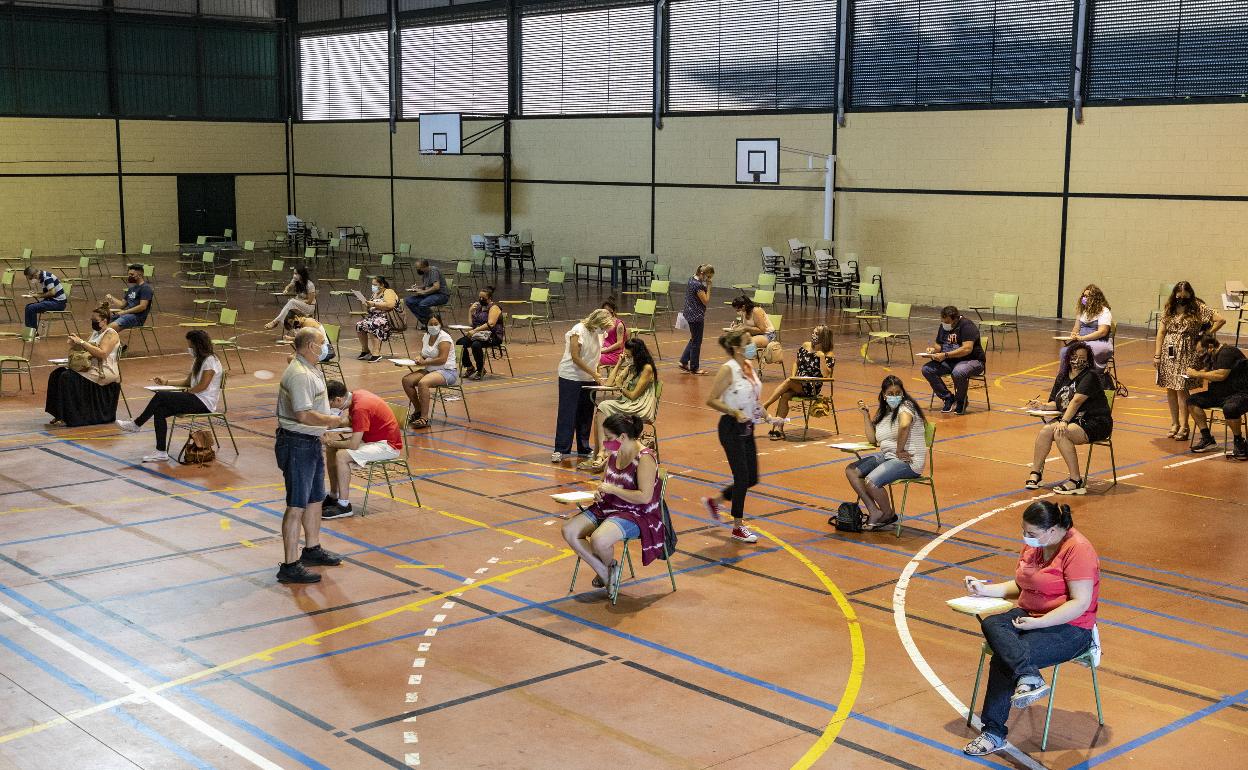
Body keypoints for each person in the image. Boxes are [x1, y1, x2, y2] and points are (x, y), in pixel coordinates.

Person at [962, 501, 1099, 757]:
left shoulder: (1079, 550)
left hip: (1069, 627)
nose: (1026, 538)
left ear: (1053, 529)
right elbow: (1024, 584)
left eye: (1032, 534)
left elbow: (1080, 603)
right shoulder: (1037, 545)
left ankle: (993, 732)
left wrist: (1040, 623)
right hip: (1030, 614)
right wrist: (985, 590)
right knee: (992, 623)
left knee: (1006, 656)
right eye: (1024, 532)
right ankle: (1029, 675)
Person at [561, 413, 665, 591]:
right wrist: (599, 493)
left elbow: (645, 497)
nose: (606, 443)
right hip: (609, 507)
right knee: (569, 530)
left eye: (609, 438)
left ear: (622, 437)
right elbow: (606, 484)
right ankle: (606, 571)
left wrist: (613, 490)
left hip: (637, 513)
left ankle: (607, 572)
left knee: (599, 540)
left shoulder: (645, 458)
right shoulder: (614, 455)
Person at [274, 327, 343, 584]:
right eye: (322, 343)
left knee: (314, 499)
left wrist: (321, 432)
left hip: (310, 441)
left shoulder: (311, 368)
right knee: (296, 505)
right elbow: (302, 414)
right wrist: (332, 421)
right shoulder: (300, 375)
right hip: (296, 444)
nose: (326, 347)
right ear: (310, 346)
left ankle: (312, 549)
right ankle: (289, 565)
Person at [703, 328, 774, 544]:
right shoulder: (728, 369)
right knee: (742, 477)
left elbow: (752, 396)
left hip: (748, 427)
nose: (752, 345)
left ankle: (715, 501)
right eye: (748, 342)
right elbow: (712, 399)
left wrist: (764, 413)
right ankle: (737, 527)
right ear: (736, 347)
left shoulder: (749, 366)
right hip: (731, 427)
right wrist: (734, 412)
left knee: (752, 477)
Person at [115, 330, 222, 463]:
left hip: (204, 402)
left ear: (198, 345)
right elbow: (188, 382)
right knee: (160, 411)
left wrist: (185, 393)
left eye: (191, 346)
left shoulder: (211, 361)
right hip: (195, 398)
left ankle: (137, 424)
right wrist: (166, 382)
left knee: (161, 397)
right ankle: (161, 452)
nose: (189, 349)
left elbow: (203, 386)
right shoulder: (198, 360)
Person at [1024, 341, 1112, 496]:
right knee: (1046, 431)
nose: (1078, 360)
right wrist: (1042, 405)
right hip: (1075, 420)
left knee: (1061, 432)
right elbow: (1057, 403)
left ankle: (1076, 481)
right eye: (1075, 356)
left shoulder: (1090, 376)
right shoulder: (1062, 376)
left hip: (1095, 421)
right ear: (1068, 357)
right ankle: (1036, 474)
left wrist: (1064, 421)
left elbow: (1076, 401)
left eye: (1082, 357)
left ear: (1088, 360)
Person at [843, 375, 927, 530]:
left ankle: (887, 514)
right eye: (890, 393)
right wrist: (866, 416)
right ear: (883, 395)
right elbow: (873, 439)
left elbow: (904, 425)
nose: (894, 396)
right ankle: (874, 510)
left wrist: (900, 449)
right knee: (852, 471)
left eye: (897, 393)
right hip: (888, 457)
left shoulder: (906, 406)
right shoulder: (884, 412)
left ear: (903, 393)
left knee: (872, 482)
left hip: (908, 460)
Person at [321, 381, 403, 519]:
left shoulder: (361, 407)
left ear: (338, 399)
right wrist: (337, 423)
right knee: (331, 449)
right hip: (374, 439)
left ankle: (344, 505)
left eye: (330, 404)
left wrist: (330, 441)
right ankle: (333, 495)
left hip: (387, 445)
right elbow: (352, 420)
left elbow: (353, 444)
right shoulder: (356, 396)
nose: (329, 407)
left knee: (342, 455)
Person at [1155, 281, 1224, 440]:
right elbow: (1161, 332)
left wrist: (1205, 335)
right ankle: (1174, 423)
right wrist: (1157, 355)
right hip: (1169, 351)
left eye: (1185, 296)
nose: (1181, 299)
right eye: (1179, 296)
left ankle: (1184, 426)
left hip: (1187, 352)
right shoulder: (1169, 308)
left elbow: (1220, 320)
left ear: (1190, 295)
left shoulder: (1198, 307)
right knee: (1170, 387)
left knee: (1181, 388)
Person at [578, 338, 659, 472]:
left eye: (628, 356)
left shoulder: (647, 368)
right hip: (626, 402)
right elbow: (609, 384)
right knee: (599, 414)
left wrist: (621, 388)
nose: (626, 358)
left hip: (639, 405)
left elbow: (633, 395)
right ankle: (600, 455)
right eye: (625, 355)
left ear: (637, 355)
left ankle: (600, 455)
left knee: (604, 407)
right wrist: (619, 362)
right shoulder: (630, 367)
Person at [552, 308, 613, 463]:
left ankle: (584, 447)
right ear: (597, 322)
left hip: (589, 377)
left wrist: (597, 374)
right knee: (568, 413)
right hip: (571, 377)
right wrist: (594, 374)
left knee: (586, 414)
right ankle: (561, 449)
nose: (604, 330)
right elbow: (575, 357)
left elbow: (596, 357)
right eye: (604, 327)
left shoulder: (599, 334)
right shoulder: (578, 331)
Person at [45, 303, 121, 427]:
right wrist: (75, 343)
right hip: (91, 367)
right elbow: (87, 348)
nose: (93, 322)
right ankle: (59, 414)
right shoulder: (95, 333)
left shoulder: (110, 333)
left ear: (104, 321)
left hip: (105, 371)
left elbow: (102, 354)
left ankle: (70, 417)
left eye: (95, 320)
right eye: (92, 320)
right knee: (56, 374)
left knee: (66, 377)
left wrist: (81, 341)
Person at [762, 325, 835, 440]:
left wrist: (821, 357)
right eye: (813, 332)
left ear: (823, 337)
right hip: (798, 382)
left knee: (788, 382)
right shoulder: (805, 345)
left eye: (816, 334)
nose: (813, 335)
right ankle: (778, 429)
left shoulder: (828, 354)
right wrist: (793, 375)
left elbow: (826, 375)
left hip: (812, 386)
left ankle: (765, 405)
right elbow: (796, 363)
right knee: (785, 395)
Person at [1186, 333, 1248, 457]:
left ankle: (1239, 442)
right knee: (1192, 401)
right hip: (1219, 394)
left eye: (1201, 352)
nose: (1200, 355)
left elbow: (1220, 375)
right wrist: (1194, 376)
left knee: (1230, 408)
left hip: (1240, 393)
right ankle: (1207, 438)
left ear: (1210, 347)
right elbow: (1208, 372)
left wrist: (1197, 374)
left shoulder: (1227, 352)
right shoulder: (1211, 356)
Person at [921, 306, 986, 415]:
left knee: (958, 372)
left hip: (972, 361)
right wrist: (932, 351)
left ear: (955, 319)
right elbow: (938, 346)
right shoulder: (943, 327)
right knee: (927, 369)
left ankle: (961, 401)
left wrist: (945, 355)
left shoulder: (967, 326)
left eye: (947, 322)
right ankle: (948, 398)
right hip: (950, 361)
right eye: (943, 321)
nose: (944, 324)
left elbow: (967, 349)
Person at [400, 313, 457, 429]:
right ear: (426, 325)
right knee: (406, 380)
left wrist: (424, 362)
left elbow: (442, 359)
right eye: (430, 324)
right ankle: (418, 409)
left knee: (423, 383)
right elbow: (424, 354)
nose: (433, 326)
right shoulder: (426, 336)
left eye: (436, 324)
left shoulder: (444, 338)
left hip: (446, 371)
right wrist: (419, 358)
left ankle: (424, 418)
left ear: (440, 324)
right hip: (430, 370)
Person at [1058, 284, 1113, 377]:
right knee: (1064, 351)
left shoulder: (1104, 311)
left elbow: (1102, 332)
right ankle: (1065, 377)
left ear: (1095, 298)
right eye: (1083, 296)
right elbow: (1076, 328)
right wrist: (1072, 336)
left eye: (1086, 296)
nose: (1083, 298)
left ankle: (1089, 377)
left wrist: (1083, 338)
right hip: (1082, 341)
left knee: (1085, 350)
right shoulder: (1082, 311)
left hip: (1099, 341)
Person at [457, 285, 503, 380]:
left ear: (489, 298)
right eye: (480, 297)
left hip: (493, 336)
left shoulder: (494, 308)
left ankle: (480, 369)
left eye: (483, 298)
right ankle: (469, 367)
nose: (481, 299)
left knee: (476, 345)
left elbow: (490, 323)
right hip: (478, 335)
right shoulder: (479, 307)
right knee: (460, 343)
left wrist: (474, 331)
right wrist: (470, 312)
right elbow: (472, 324)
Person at [355, 275, 400, 363]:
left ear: (382, 284)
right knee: (359, 325)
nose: (373, 286)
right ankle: (365, 351)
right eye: (372, 284)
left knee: (373, 324)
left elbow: (390, 305)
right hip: (374, 317)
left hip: (387, 319)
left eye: (375, 284)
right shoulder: (375, 294)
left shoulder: (389, 292)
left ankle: (376, 354)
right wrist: (366, 304)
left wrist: (373, 304)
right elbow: (370, 308)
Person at [678, 264, 713, 375]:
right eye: (708, 277)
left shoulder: (691, 279)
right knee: (697, 342)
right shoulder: (698, 285)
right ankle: (694, 367)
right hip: (696, 316)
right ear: (702, 274)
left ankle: (683, 361)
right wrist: (709, 287)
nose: (709, 279)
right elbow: (706, 300)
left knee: (694, 339)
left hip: (689, 313)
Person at [103, 263, 154, 332]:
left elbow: (142, 306)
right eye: (129, 274)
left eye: (132, 275)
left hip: (137, 318)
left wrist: (124, 312)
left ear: (140, 275)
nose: (129, 276)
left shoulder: (145, 288)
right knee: (101, 324)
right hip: (126, 315)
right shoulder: (131, 289)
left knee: (108, 329)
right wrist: (111, 298)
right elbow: (122, 305)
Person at [21, 265, 67, 333]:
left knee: (31, 308)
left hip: (58, 303)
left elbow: (52, 293)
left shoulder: (47, 277)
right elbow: (48, 292)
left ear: (35, 275)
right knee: (28, 307)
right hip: (52, 301)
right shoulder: (43, 277)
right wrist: (35, 294)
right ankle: (29, 332)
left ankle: (33, 333)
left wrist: (37, 295)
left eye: (30, 278)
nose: (31, 280)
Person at [404, 259, 448, 327]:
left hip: (441, 295)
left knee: (423, 304)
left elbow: (436, 287)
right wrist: (417, 288)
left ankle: (435, 320)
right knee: (409, 301)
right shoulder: (425, 273)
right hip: (430, 294)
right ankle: (427, 322)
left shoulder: (433, 271)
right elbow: (426, 286)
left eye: (418, 268)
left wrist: (423, 292)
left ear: (424, 267)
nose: (418, 270)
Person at [598, 298, 629, 370]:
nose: (605, 314)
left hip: (615, 354)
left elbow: (620, 343)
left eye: (607, 311)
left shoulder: (619, 324)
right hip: (605, 351)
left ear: (613, 311)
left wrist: (604, 350)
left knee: (593, 360)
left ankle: (595, 380)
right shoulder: (605, 323)